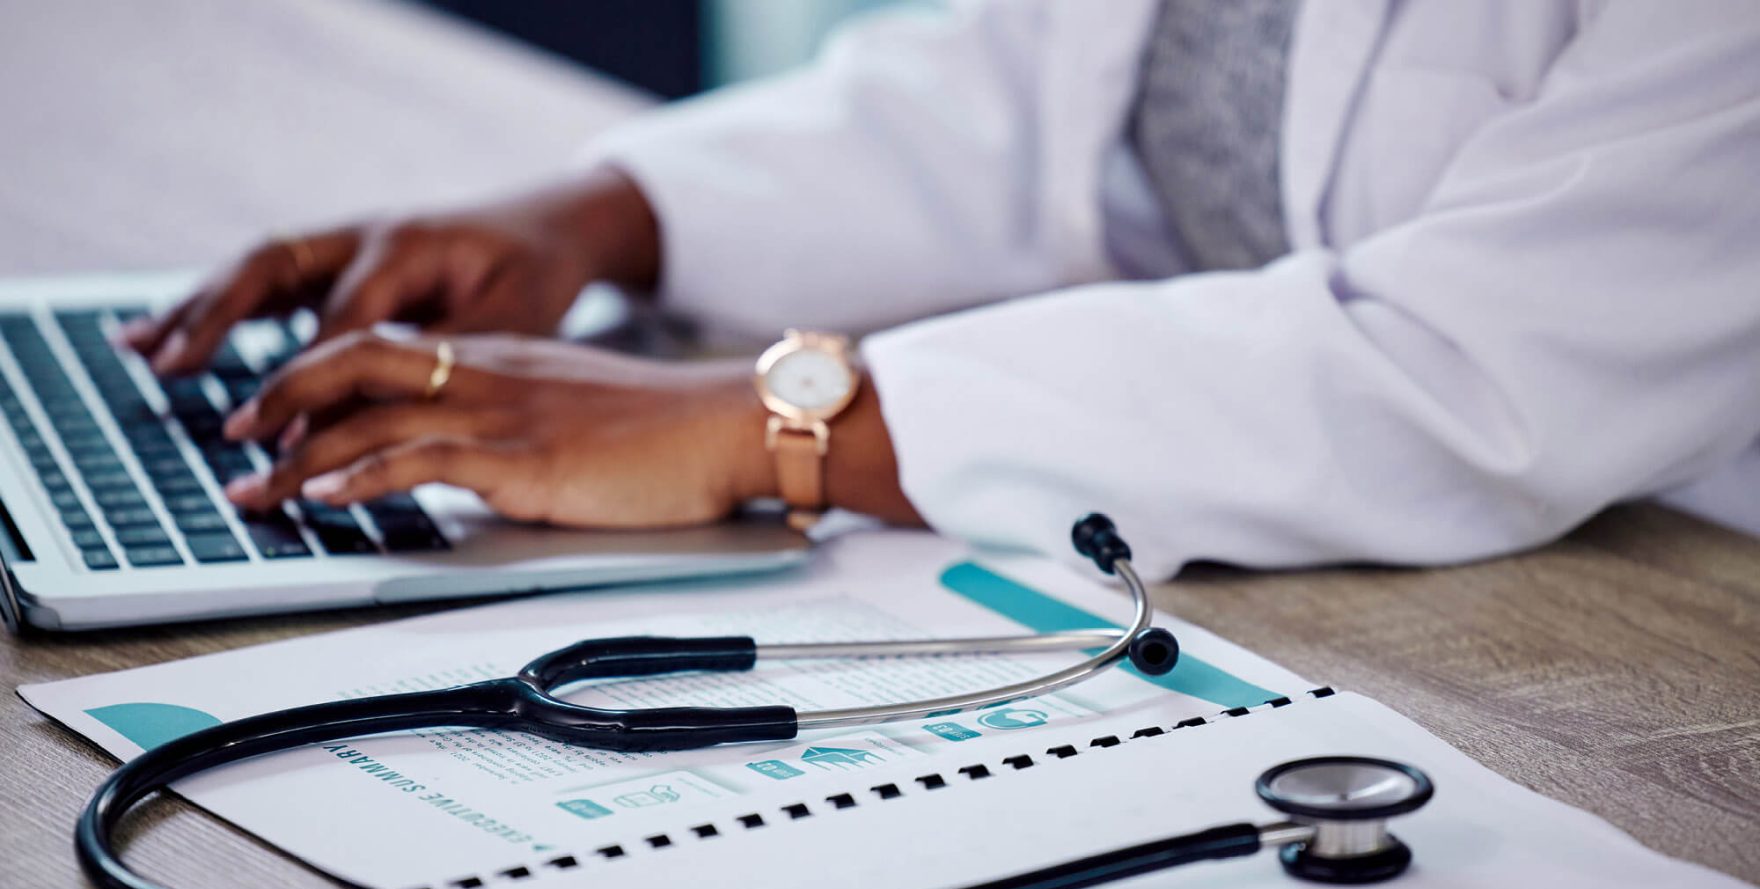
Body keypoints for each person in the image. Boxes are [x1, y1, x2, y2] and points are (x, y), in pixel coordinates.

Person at [119, 0, 1760, 579]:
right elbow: (1031, 87)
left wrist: (760, 423)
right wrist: (604, 217)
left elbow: (1454, 370)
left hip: (1649, 625)